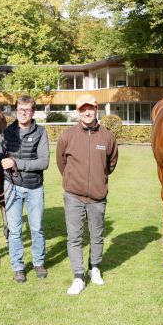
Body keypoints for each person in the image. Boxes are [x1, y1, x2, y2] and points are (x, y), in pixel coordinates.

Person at [56, 94, 118, 296]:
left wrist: (98, 179)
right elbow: (61, 163)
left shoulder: (108, 136)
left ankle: (95, 268)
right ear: (78, 112)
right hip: (73, 195)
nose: (87, 112)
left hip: (98, 197)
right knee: (74, 237)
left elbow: (111, 164)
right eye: (83, 109)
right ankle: (78, 277)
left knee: (97, 236)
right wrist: (73, 180)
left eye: (90, 108)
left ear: (96, 108)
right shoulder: (67, 135)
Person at [0, 95, 49, 283]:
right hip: (11, 186)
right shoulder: (6, 132)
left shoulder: (40, 132)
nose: (23, 113)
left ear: (33, 112)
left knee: (37, 229)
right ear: (15, 111)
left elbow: (44, 162)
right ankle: (18, 266)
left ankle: (38, 263)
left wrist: (16, 163)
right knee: (15, 230)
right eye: (20, 110)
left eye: (27, 110)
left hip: (34, 187)